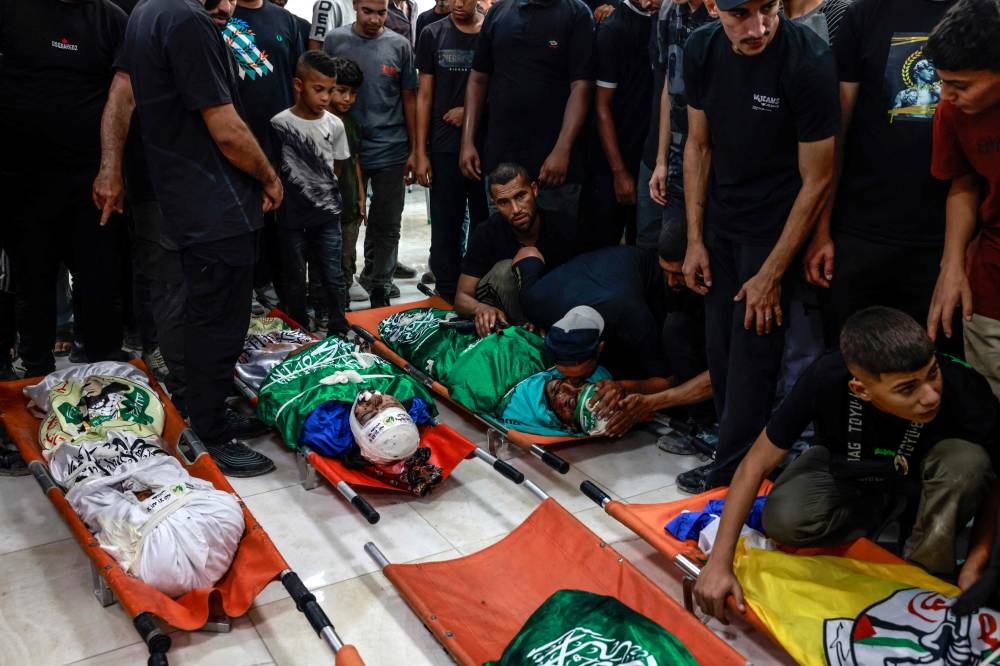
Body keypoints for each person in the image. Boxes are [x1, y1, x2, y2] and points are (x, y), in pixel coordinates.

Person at [692, 308, 1000, 622]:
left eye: (932, 373)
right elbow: (754, 465)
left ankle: (924, 572)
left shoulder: (963, 383)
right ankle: (878, 511)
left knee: (969, 463)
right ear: (861, 390)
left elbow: (996, 479)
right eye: (908, 389)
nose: (931, 395)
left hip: (926, 472)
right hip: (850, 467)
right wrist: (719, 564)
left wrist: (978, 560)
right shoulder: (826, 376)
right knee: (785, 519)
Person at [109, 0, 283, 477]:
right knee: (219, 318)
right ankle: (211, 431)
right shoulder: (186, 19)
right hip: (212, 200)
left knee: (201, 313)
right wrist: (269, 177)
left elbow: (123, 92)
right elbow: (225, 129)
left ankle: (205, 408)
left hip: (184, 195)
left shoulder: (148, 11)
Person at [679, 0, 838, 494]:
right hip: (723, 218)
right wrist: (694, 240)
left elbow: (818, 179)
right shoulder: (700, 47)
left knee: (754, 355)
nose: (758, 27)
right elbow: (698, 145)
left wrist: (770, 274)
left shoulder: (806, 59)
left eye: (768, 9)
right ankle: (730, 458)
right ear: (713, 8)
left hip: (776, 225)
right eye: (741, 14)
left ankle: (731, 481)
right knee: (721, 349)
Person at [802, 0, 958, 352]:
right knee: (850, 364)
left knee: (930, 366)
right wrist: (821, 229)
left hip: (941, 238)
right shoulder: (866, 13)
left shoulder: (978, 15)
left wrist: (956, 257)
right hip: (860, 230)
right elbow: (836, 134)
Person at [0, 0, 128, 378]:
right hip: (20, 180)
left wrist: (111, 170)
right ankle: (36, 372)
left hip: (91, 181)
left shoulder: (111, 19)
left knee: (100, 279)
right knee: (32, 281)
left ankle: (103, 376)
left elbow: (122, 98)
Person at [459, 0, 596, 221]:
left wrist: (562, 149)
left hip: (552, 166)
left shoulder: (576, 13)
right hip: (502, 161)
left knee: (556, 246)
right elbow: (477, 79)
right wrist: (467, 142)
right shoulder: (497, 14)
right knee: (504, 246)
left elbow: (582, 86)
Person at [924, 0, 1000, 400]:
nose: (947, 95)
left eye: (962, 85)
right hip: (990, 282)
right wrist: (951, 265)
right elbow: (963, 183)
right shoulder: (951, 111)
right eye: (942, 81)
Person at [324, 0, 418, 307]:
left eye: (381, 12)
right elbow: (321, 91)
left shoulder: (400, 45)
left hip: (391, 147)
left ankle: (381, 287)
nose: (375, 19)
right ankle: (338, 287)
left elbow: (409, 99)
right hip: (344, 149)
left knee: (387, 223)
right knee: (345, 220)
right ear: (355, 6)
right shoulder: (335, 40)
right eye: (367, 11)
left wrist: (417, 149)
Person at [412, 0, 488, 304]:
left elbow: (500, 85)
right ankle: (446, 295)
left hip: (485, 147)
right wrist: (420, 151)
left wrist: (470, 111)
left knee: (485, 224)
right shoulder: (432, 34)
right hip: (443, 146)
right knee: (446, 225)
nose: (457, 4)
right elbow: (424, 95)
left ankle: (480, 292)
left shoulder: (493, 32)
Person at [270, 52, 351, 335]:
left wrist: (323, 194)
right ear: (298, 84)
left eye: (330, 90)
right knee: (294, 278)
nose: (326, 98)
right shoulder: (279, 124)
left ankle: (338, 327)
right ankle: (299, 329)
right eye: (319, 90)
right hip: (291, 217)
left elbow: (338, 166)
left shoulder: (335, 124)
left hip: (327, 216)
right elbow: (273, 168)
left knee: (332, 274)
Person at [454, 163, 578, 337]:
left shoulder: (562, 227)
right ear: (495, 204)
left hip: (550, 307)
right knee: (506, 269)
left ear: (534, 190)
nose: (516, 209)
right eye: (504, 202)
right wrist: (482, 309)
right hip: (502, 312)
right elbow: (461, 297)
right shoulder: (486, 233)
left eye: (520, 196)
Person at [645, 0, 714, 253]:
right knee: (671, 249)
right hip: (677, 156)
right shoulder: (669, 10)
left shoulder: (728, 14)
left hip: (716, 157)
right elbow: (669, 86)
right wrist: (661, 160)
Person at [592, 0, 659, 248]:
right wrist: (619, 171)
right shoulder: (614, 28)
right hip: (617, 159)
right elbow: (601, 107)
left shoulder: (668, 19)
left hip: (653, 160)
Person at [328, 58, 370, 306]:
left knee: (347, 254)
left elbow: (356, 162)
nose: (348, 99)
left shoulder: (352, 123)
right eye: (341, 91)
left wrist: (361, 198)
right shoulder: (320, 121)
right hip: (326, 205)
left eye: (353, 93)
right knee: (326, 255)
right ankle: (326, 303)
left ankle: (343, 300)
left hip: (350, 204)